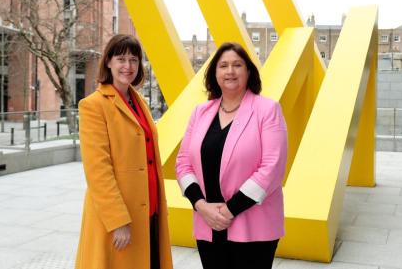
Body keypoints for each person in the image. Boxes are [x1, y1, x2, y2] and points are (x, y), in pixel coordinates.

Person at [175, 42, 287, 269]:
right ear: (214, 73)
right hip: (208, 223)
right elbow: (183, 163)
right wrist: (201, 205)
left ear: (248, 71)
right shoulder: (201, 112)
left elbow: (271, 168)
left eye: (237, 65)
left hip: (253, 226)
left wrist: (228, 210)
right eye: (223, 65)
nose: (230, 71)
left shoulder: (267, 110)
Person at [75, 34, 172, 269]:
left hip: (149, 211)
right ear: (108, 62)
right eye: (121, 59)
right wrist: (118, 221)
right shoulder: (93, 105)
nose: (128, 66)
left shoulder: (139, 102)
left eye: (133, 60)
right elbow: (98, 170)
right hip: (119, 217)